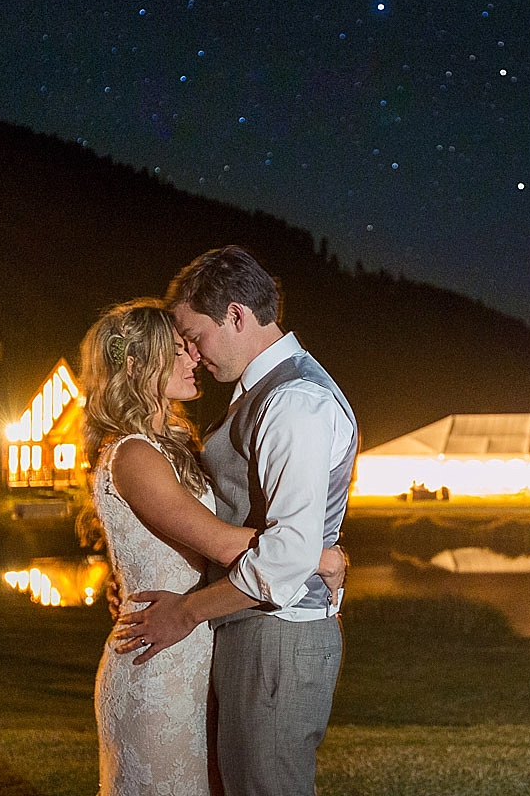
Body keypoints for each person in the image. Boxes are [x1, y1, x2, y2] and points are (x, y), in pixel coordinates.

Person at [116, 246, 357, 796]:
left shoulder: (295, 401)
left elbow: (286, 557)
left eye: (194, 336)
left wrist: (187, 611)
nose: (193, 354)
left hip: (277, 634)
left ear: (236, 316)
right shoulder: (265, 394)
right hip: (255, 629)